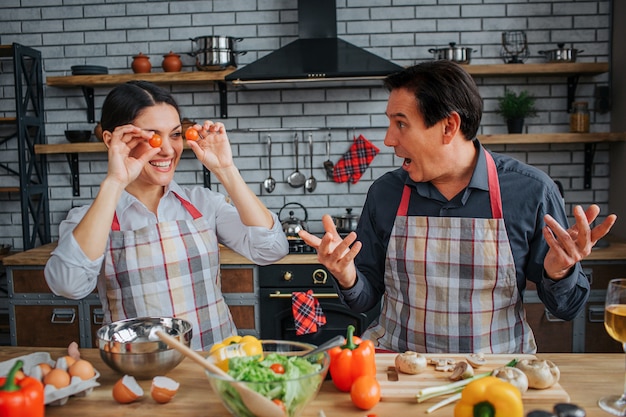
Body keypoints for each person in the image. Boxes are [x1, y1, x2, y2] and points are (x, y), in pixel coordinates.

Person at [298, 60, 617, 354]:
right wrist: (347, 275)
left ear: (449, 126)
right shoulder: (385, 194)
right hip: (397, 369)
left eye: (401, 123)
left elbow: (566, 309)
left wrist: (560, 272)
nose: (388, 139)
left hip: (494, 374)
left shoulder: (530, 192)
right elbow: (365, 298)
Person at [45, 81, 289, 350]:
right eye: (152, 136)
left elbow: (271, 249)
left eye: (174, 135)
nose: (168, 150)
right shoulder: (90, 218)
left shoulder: (202, 204)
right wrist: (114, 182)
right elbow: (68, 285)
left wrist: (226, 169)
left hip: (217, 366)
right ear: (111, 140)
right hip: (141, 370)